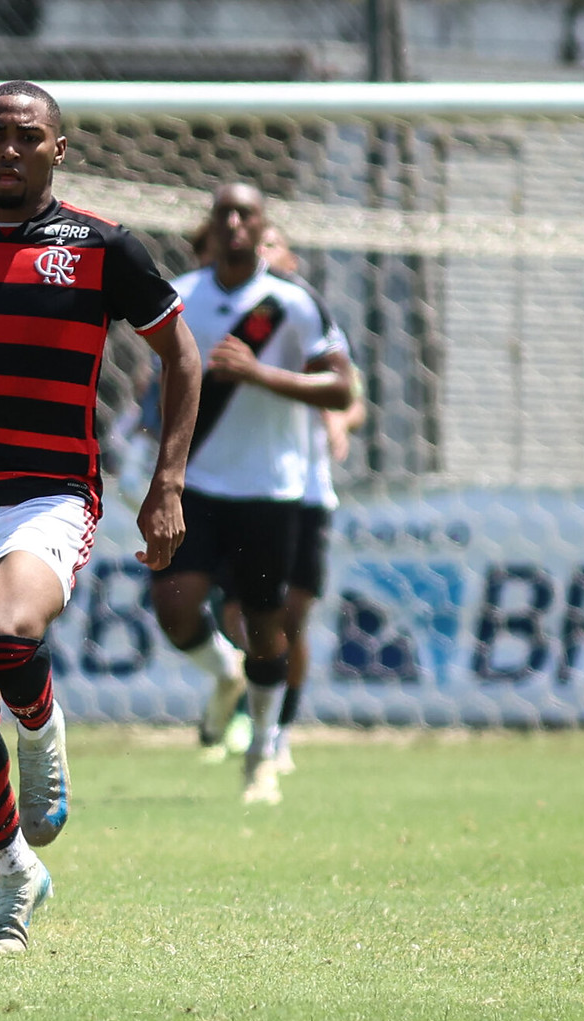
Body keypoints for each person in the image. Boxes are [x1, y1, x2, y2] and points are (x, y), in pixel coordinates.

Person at [0, 80, 202, 953]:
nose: (9, 150)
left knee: (4, 636)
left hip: (48, 496)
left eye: (28, 137)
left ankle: (44, 728)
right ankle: (15, 872)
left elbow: (180, 354)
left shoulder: (102, 247)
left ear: (60, 149)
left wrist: (165, 483)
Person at [149, 184, 354, 806]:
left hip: (271, 491)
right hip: (200, 484)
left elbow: (342, 390)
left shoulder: (290, 303)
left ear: (263, 225)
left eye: (247, 215)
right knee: (175, 607)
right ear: (210, 227)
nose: (235, 223)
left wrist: (258, 372)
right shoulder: (181, 297)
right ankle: (224, 678)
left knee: (268, 624)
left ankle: (264, 749)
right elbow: (155, 379)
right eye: (224, 214)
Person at [255, 226, 368, 773]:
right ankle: (251, 699)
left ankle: (280, 728)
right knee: (249, 614)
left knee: (292, 617)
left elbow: (352, 396)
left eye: (271, 244)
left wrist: (339, 419)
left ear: (290, 258)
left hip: (308, 492)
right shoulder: (235, 319)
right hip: (250, 486)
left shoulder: (308, 317)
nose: (261, 253)